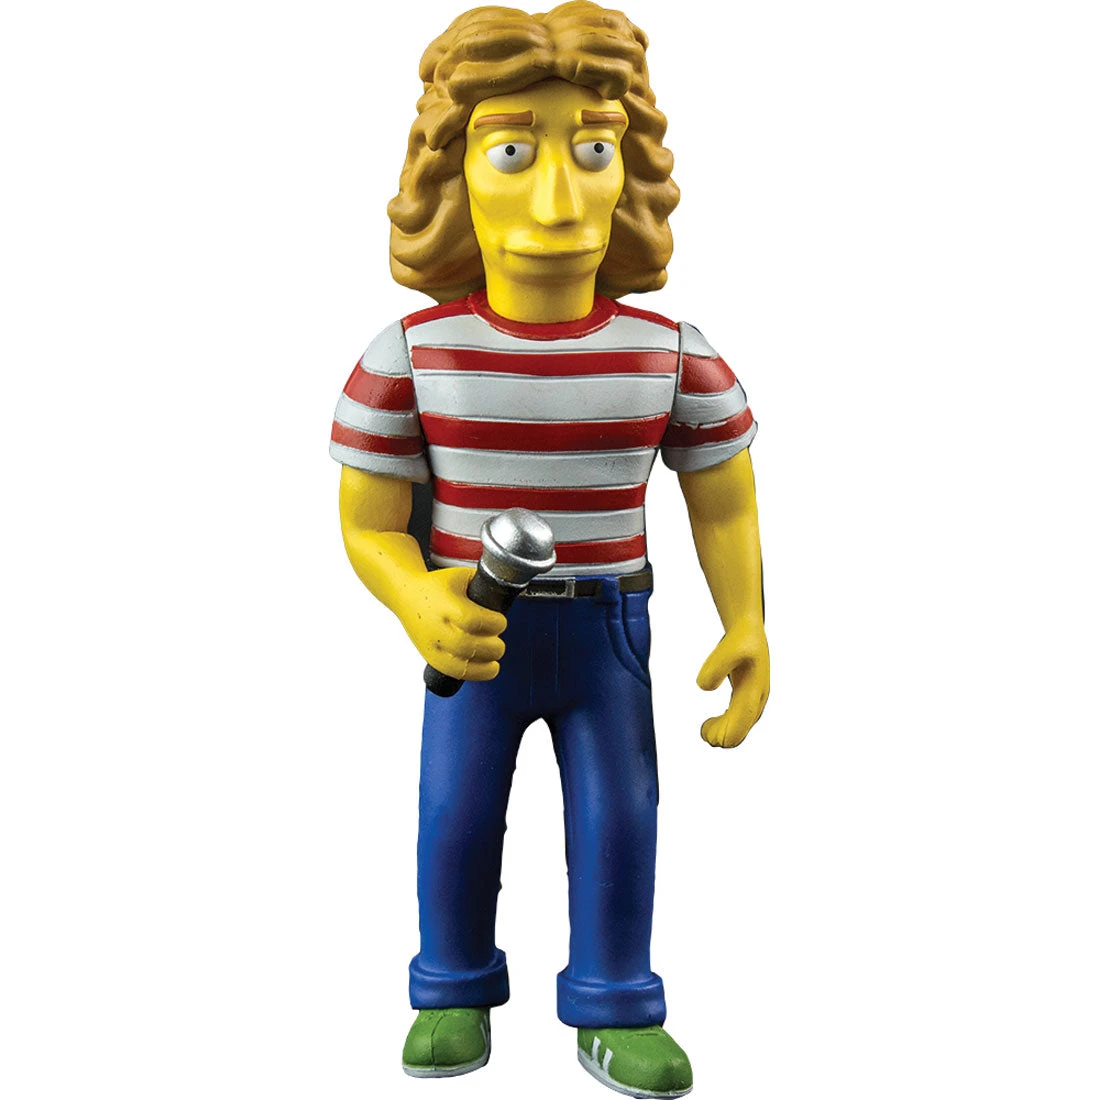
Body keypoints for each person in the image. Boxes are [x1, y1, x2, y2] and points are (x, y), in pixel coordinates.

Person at [330, 4, 769, 1096]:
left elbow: (720, 497)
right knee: (455, 811)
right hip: (473, 627)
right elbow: (368, 520)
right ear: (452, 176)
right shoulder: (411, 357)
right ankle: (450, 986)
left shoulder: (669, 355)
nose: (559, 202)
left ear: (630, 175)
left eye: (594, 151)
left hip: (610, 627)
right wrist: (412, 596)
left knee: (620, 812)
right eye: (514, 155)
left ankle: (615, 1001)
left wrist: (748, 620)